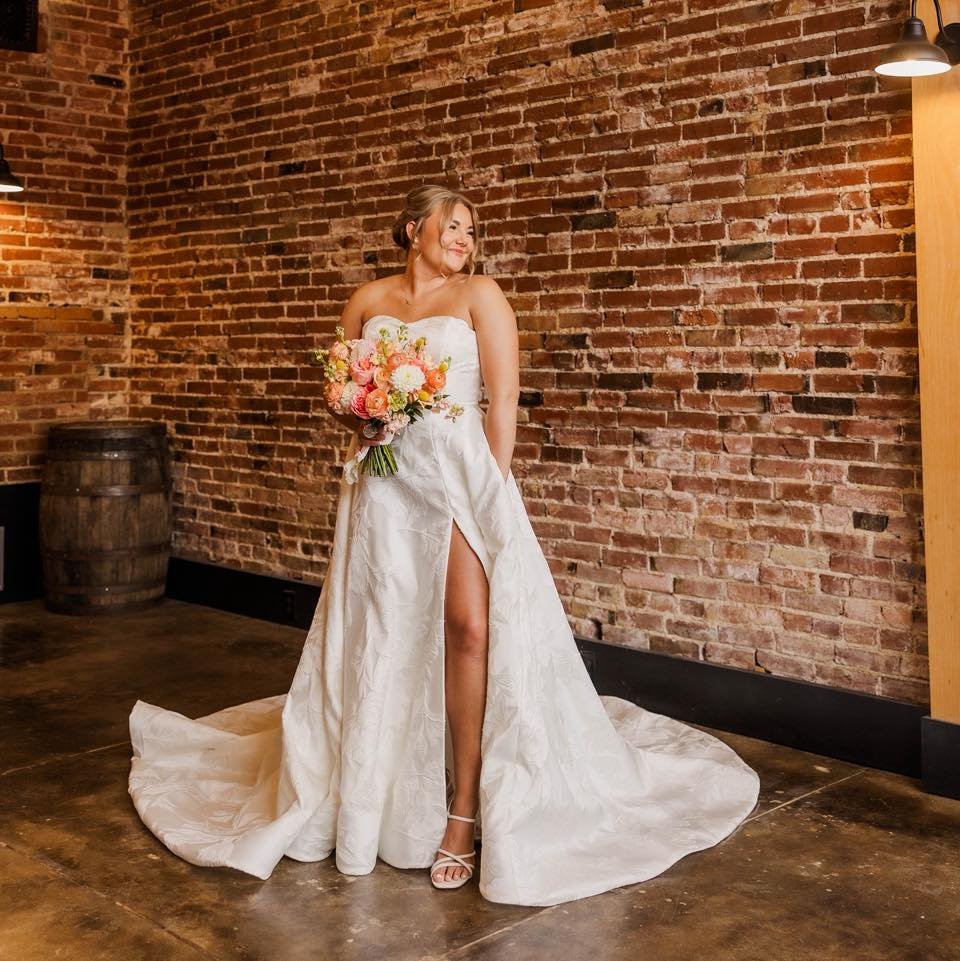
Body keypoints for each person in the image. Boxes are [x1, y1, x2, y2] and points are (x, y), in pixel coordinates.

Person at [128, 184, 761, 907]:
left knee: (469, 628)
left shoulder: (481, 295)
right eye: (451, 224)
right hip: (386, 490)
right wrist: (363, 418)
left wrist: (488, 490)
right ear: (412, 227)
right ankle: (371, 793)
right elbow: (340, 390)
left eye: (471, 229)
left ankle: (463, 811)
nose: (463, 237)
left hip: (461, 481)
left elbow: (504, 399)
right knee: (387, 633)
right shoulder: (367, 300)